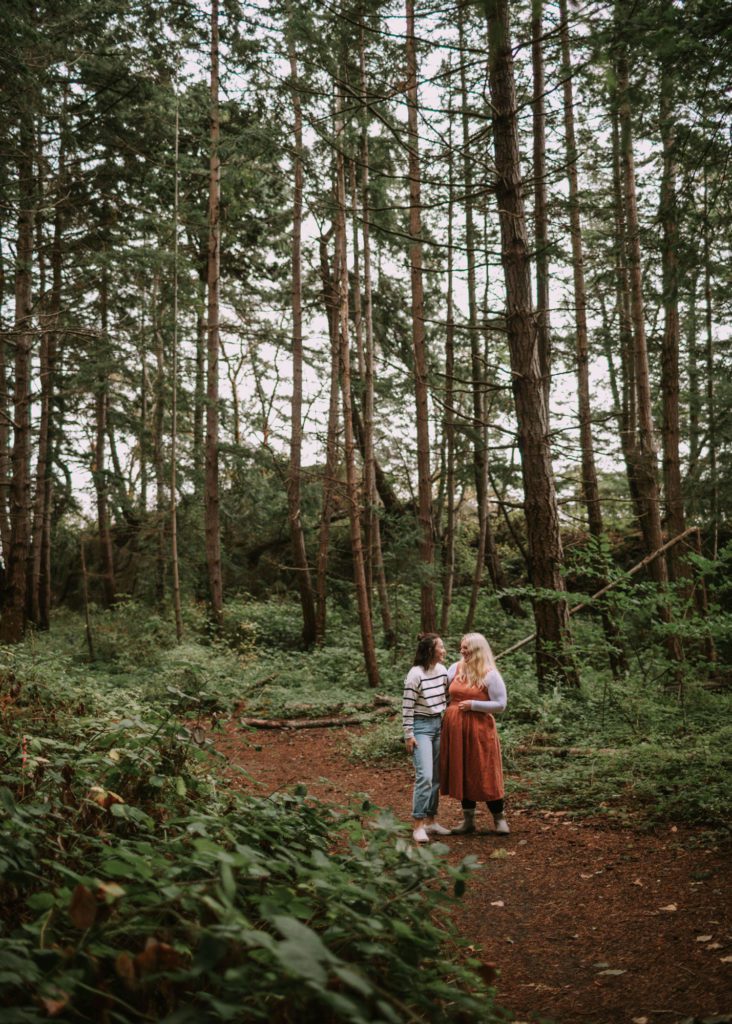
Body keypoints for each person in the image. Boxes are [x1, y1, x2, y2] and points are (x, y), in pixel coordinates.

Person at [440, 632, 509, 835]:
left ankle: (499, 819)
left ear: (478, 649)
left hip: (479, 729)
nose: (462, 651)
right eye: (461, 648)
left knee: (484, 769)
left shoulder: (490, 674)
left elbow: (501, 705)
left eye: (466, 648)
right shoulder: (456, 668)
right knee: (462, 769)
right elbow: (442, 691)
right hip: (455, 728)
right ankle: (468, 820)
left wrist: (474, 705)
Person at [402, 633, 452, 843]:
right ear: (431, 651)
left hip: (438, 724)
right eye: (441, 647)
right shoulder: (415, 674)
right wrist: (409, 735)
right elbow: (407, 706)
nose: (444, 650)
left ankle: (431, 821)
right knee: (425, 776)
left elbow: (448, 697)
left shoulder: (442, 671)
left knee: (437, 777)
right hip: (420, 726)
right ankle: (418, 825)